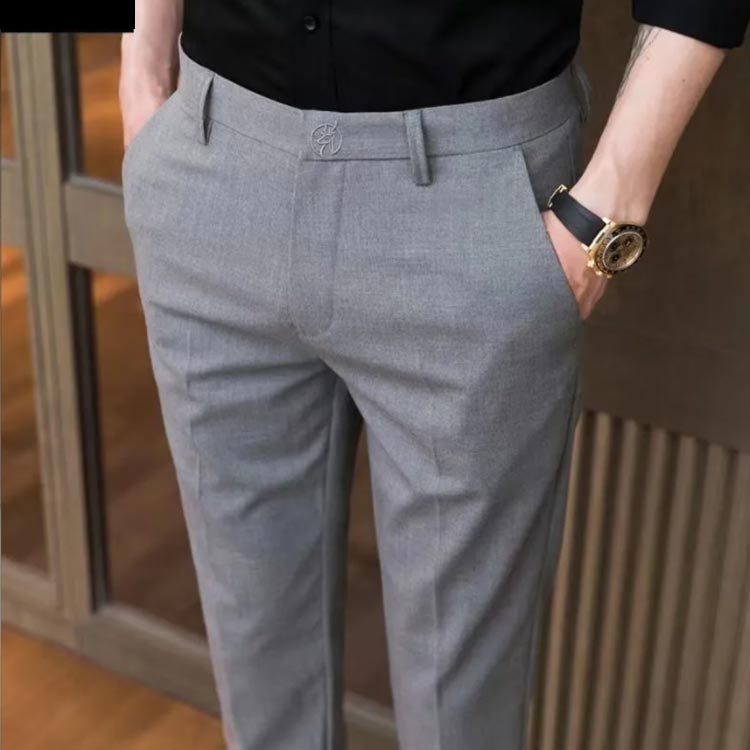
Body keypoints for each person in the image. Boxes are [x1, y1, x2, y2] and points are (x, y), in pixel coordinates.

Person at [119, 2, 748, 748]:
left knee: (462, 712)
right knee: (257, 674)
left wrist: (606, 211)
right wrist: (142, 77)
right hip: (214, 167)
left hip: (475, 200)